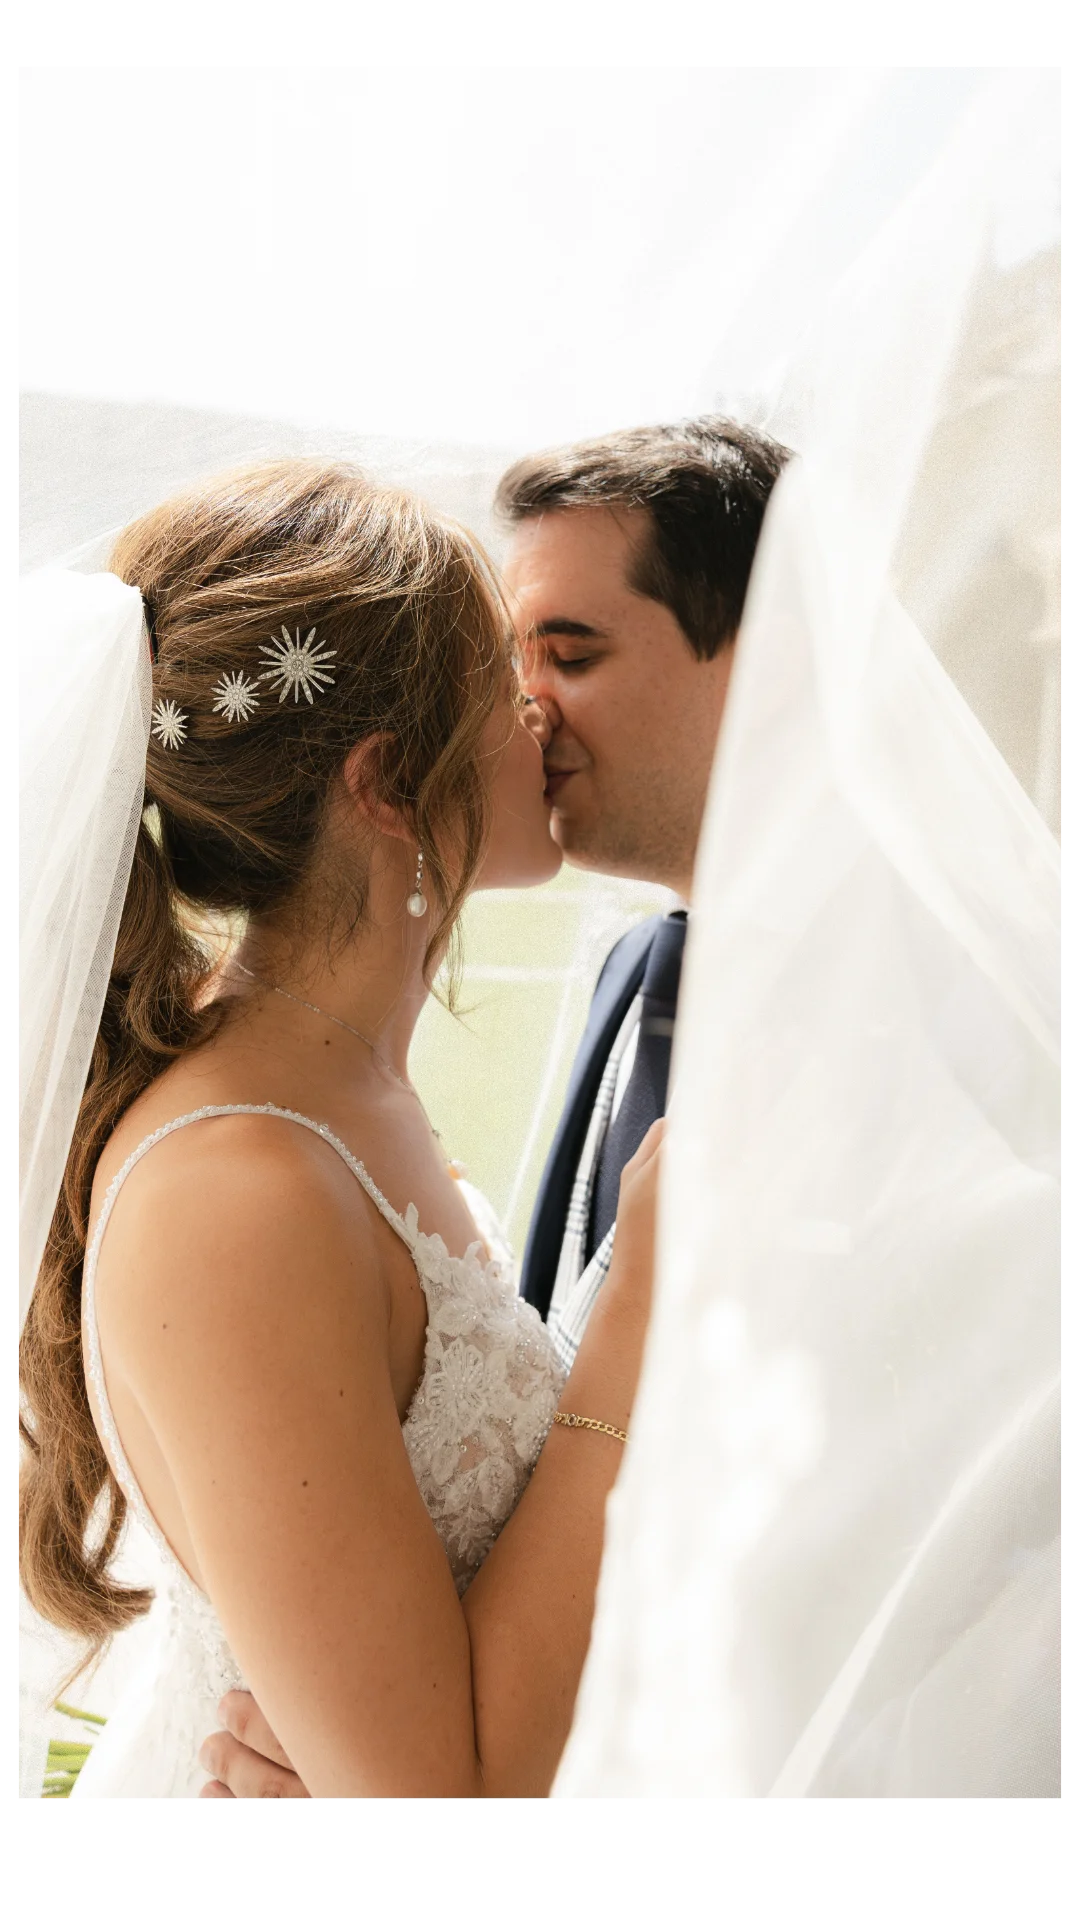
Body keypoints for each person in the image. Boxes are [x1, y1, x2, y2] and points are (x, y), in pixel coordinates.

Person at [17, 459, 663, 1800]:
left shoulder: (344, 1090)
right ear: (385, 784)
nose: (541, 709)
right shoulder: (238, 1191)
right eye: (501, 680)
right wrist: (637, 1321)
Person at [204, 417, 791, 1800]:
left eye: (569, 655)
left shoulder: (907, 1018)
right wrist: (368, 1732)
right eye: (509, 664)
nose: (528, 711)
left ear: (768, 658)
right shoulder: (627, 975)